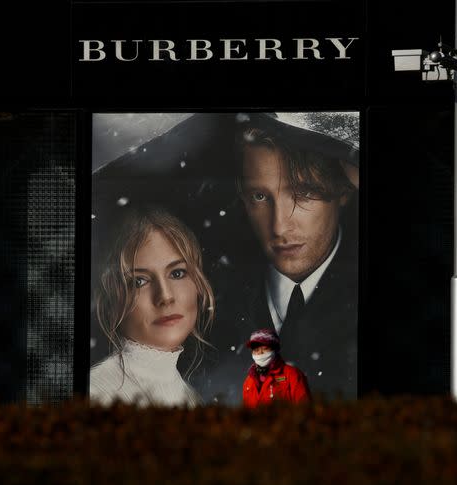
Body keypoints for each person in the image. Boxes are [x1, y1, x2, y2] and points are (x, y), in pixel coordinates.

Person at [211, 112, 360, 401]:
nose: (279, 226)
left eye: (303, 193)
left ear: (344, 191)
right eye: (260, 197)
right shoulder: (212, 302)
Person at [90, 207, 215, 407]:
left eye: (177, 273)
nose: (165, 297)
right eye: (139, 281)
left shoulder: (191, 398)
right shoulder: (96, 393)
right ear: (111, 299)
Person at [242, 328, 311, 408]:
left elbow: (305, 410)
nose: (260, 353)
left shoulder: (292, 375)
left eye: (265, 348)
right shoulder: (249, 381)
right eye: (256, 350)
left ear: (275, 349)